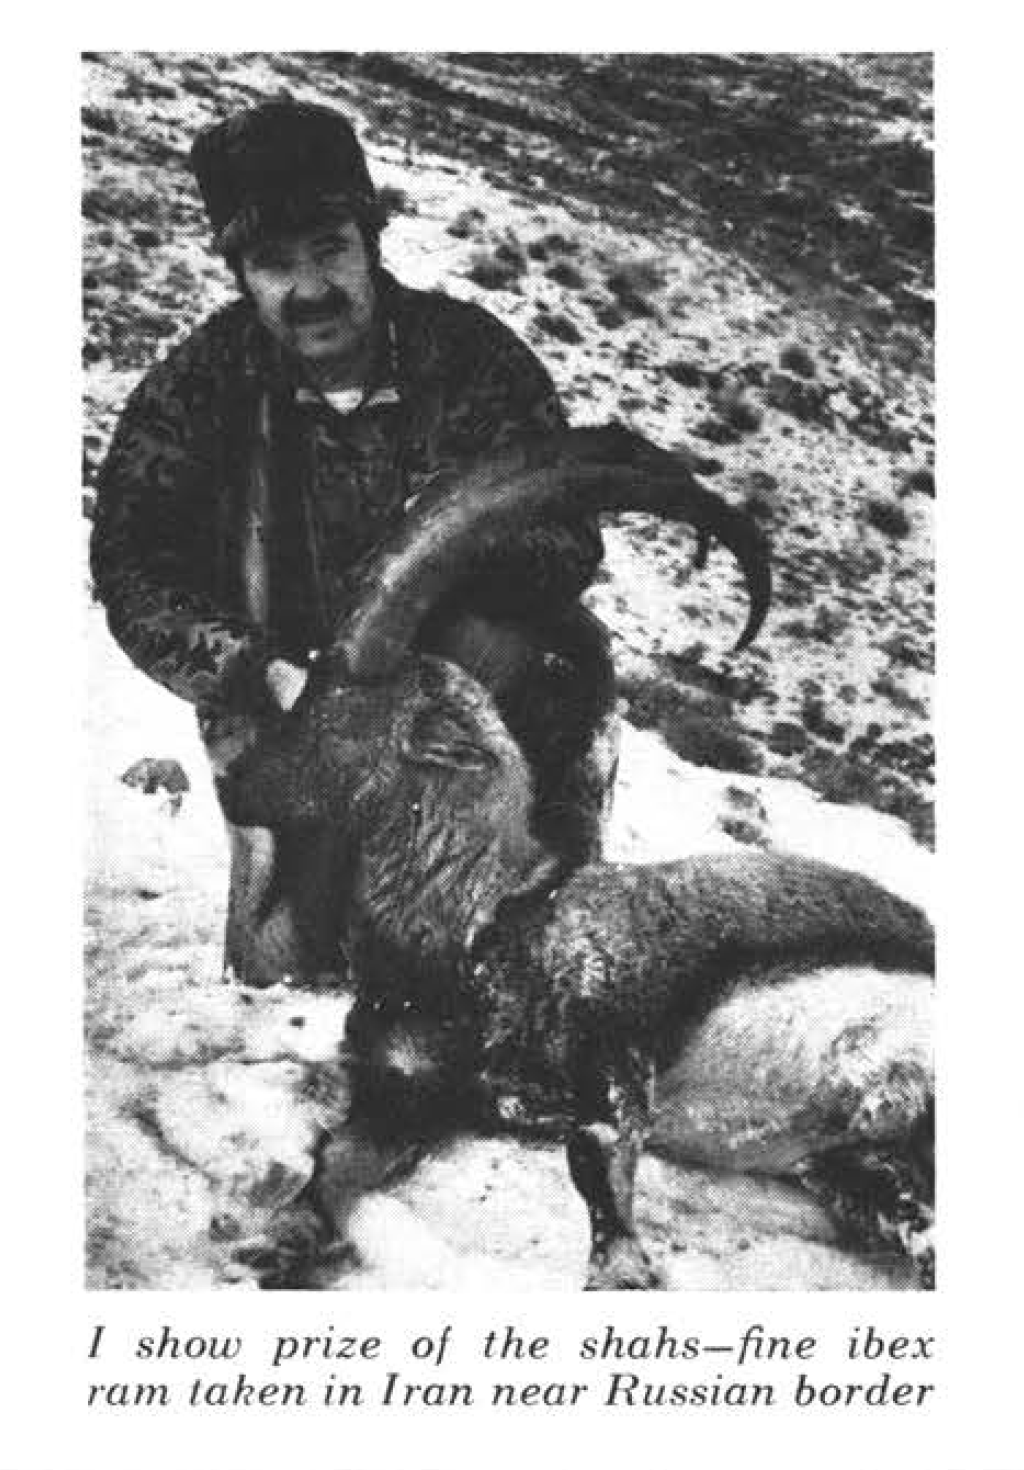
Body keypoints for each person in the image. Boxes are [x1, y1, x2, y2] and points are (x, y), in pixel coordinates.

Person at [91, 97, 617, 987]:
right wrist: (250, 669)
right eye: (273, 263)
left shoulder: (477, 362)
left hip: (467, 685)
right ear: (240, 274)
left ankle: (538, 929)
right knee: (288, 987)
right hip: (284, 696)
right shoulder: (198, 389)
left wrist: (452, 560)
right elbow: (133, 569)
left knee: (514, 960)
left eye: (330, 249)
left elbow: (569, 540)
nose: (309, 289)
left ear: (370, 241)